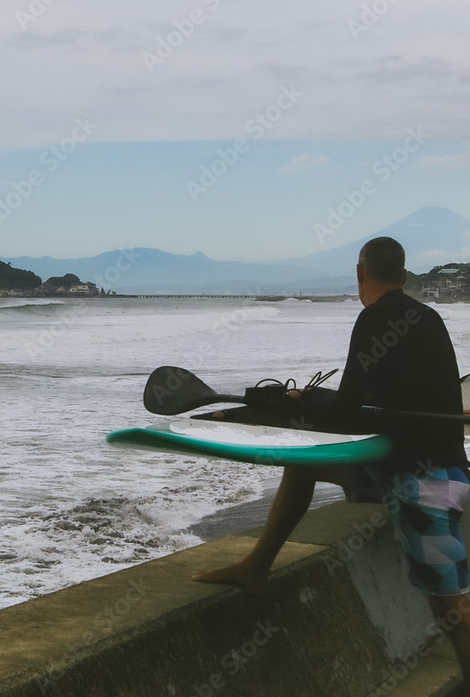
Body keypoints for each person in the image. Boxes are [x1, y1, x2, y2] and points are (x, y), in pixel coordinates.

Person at [193, 237, 470, 691]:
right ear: (403, 275)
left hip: (426, 485)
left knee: (454, 615)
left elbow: (346, 412)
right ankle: (257, 566)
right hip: (436, 467)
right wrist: (309, 401)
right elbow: (392, 400)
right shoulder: (429, 317)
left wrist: (304, 400)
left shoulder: (373, 318)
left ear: (360, 273)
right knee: (304, 461)